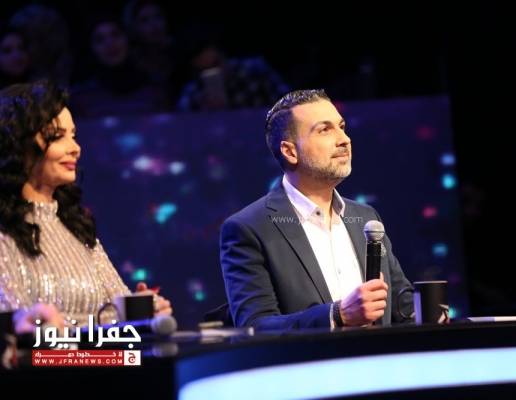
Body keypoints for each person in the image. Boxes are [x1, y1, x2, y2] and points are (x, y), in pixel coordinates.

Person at [220, 89, 414, 331]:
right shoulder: (249, 229)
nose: (344, 139)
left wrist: (431, 310)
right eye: (324, 130)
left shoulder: (365, 218)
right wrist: (337, 315)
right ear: (290, 152)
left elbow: (403, 307)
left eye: (341, 127)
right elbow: (255, 326)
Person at [0, 80, 172, 333]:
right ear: (20, 143)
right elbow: (16, 323)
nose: (75, 148)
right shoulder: (5, 231)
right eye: (58, 137)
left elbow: (114, 309)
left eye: (73, 136)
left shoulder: (75, 226)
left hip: (98, 356)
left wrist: (143, 310)